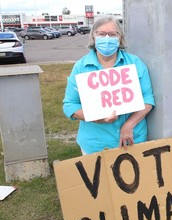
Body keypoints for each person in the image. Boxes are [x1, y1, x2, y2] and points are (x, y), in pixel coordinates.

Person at [63, 16, 155, 155]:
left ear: (120, 38)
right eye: (101, 34)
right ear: (93, 37)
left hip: (132, 140)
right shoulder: (81, 67)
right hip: (95, 145)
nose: (107, 38)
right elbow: (70, 105)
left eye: (112, 34)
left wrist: (128, 126)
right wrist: (95, 117)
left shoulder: (135, 63)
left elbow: (147, 99)